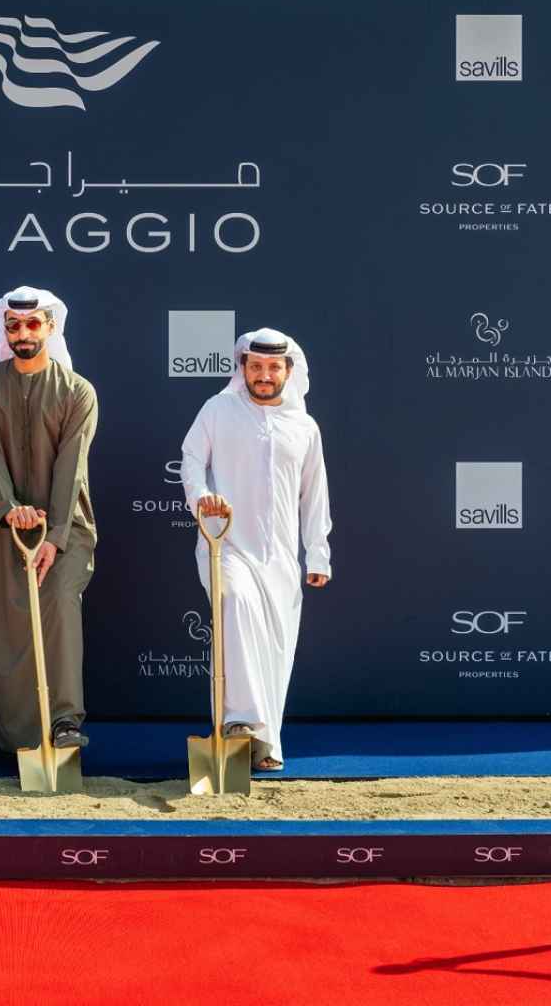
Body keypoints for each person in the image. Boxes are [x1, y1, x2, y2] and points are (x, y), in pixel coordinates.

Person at [178, 328, 331, 772]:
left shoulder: (304, 426)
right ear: (242, 367)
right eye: (256, 367)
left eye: (273, 368)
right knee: (236, 604)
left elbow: (314, 495)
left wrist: (317, 553)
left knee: (275, 648)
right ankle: (238, 724)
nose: (264, 376)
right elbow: (190, 459)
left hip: (281, 555)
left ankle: (264, 743)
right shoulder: (218, 409)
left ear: (288, 371)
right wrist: (201, 496)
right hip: (223, 544)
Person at [0, 286, 98, 753]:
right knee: (10, 625)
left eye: (33, 324)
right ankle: (21, 737)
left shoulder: (77, 391)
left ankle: (64, 722)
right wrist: (8, 510)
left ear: (51, 326)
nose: (23, 333)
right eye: (13, 326)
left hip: (66, 527)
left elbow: (71, 467)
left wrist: (55, 536)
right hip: (4, 529)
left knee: (60, 608)